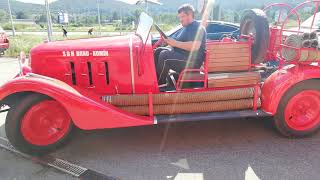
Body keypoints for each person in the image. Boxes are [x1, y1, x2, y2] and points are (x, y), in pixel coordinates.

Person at [155, 4, 207, 89]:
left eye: (182, 16)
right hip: (183, 57)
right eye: (179, 17)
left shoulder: (197, 27)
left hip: (192, 62)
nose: (180, 20)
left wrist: (175, 43)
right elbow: (175, 41)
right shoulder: (185, 28)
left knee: (165, 56)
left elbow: (195, 46)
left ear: (190, 14)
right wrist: (167, 42)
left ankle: (160, 85)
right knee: (158, 51)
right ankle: (153, 79)